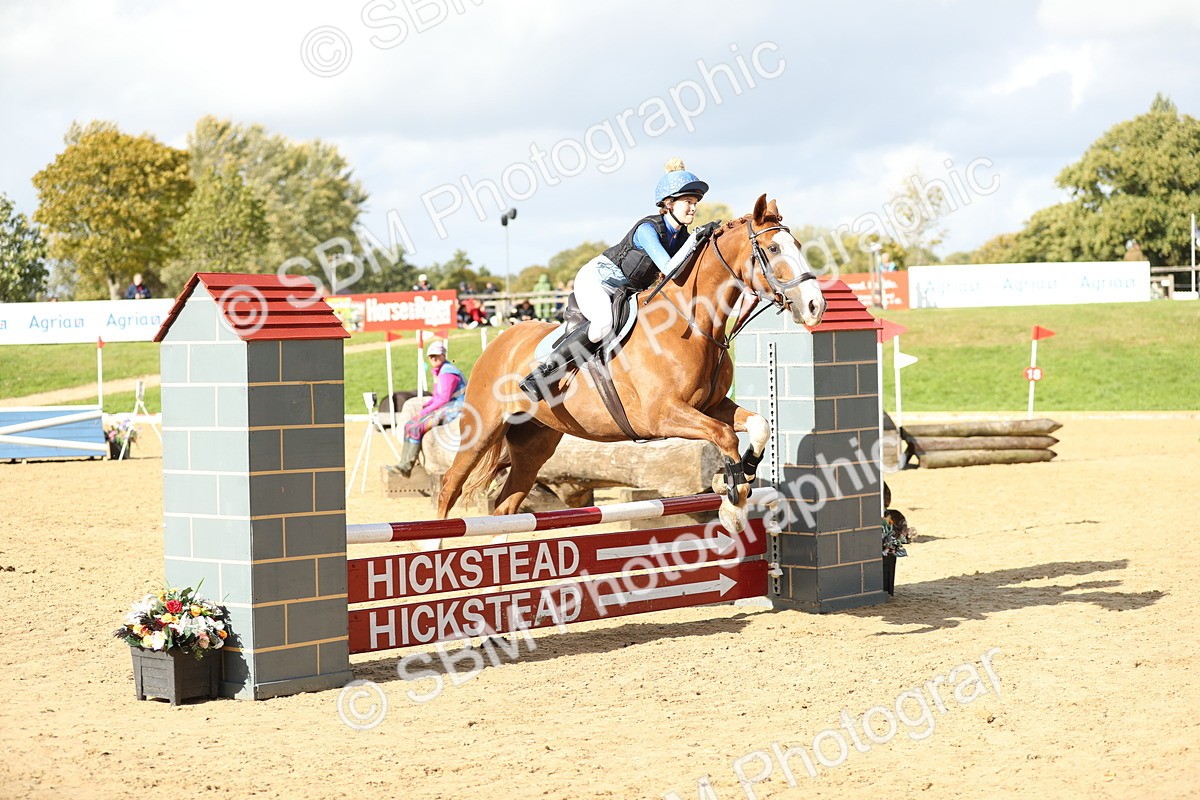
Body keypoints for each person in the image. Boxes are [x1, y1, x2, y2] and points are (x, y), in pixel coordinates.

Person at [518, 158, 719, 401]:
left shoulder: (680, 237)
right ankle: (543, 372)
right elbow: (669, 269)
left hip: (627, 292)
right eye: (687, 202)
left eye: (695, 203)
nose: (693, 208)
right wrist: (694, 240)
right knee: (604, 323)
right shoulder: (648, 229)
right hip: (597, 281)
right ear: (669, 204)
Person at [386, 341, 466, 478]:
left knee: (416, 427)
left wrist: (424, 412)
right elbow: (437, 396)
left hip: (454, 409)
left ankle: (407, 466)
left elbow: (444, 399)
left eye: (437, 355)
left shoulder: (448, 373)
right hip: (447, 407)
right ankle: (405, 462)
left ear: (443, 355)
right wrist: (426, 406)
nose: (434, 358)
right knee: (410, 424)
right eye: (431, 356)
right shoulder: (441, 371)